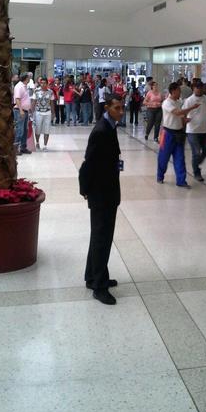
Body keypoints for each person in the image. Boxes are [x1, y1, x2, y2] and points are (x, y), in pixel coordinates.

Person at [79, 93, 125, 305]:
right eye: (117, 108)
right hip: (102, 193)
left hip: (106, 190)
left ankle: (92, 276)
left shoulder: (109, 126)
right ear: (107, 107)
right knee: (102, 238)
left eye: (122, 107)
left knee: (99, 236)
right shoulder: (101, 131)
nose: (121, 111)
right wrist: (85, 189)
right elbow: (88, 163)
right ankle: (99, 286)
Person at [157, 82, 200, 187]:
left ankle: (181, 181)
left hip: (179, 133)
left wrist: (185, 120)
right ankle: (160, 176)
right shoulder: (167, 103)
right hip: (167, 134)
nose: (180, 92)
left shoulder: (178, 102)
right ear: (173, 91)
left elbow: (180, 116)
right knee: (163, 157)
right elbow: (177, 113)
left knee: (180, 158)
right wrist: (192, 107)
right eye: (179, 91)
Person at [185, 80, 206, 182]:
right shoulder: (189, 100)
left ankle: (196, 163)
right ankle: (196, 172)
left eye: (201, 87)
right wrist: (184, 119)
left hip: (204, 130)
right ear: (193, 88)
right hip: (192, 131)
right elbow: (183, 112)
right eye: (197, 87)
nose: (199, 89)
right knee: (196, 152)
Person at [33, 77, 55, 151]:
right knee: (38, 129)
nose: (43, 84)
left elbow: (52, 103)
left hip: (47, 113)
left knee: (47, 129)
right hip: (38, 112)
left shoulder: (50, 92)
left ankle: (45, 146)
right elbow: (34, 102)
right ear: (40, 83)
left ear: (47, 83)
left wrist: (53, 113)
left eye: (44, 83)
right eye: (41, 83)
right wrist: (31, 112)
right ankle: (37, 142)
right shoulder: (36, 91)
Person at [13, 73, 32, 155]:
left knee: (25, 130)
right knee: (19, 130)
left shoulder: (24, 86)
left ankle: (23, 147)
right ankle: (15, 148)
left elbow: (25, 99)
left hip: (25, 111)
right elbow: (17, 99)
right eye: (29, 78)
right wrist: (21, 110)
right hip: (19, 111)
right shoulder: (19, 86)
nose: (30, 79)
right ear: (26, 78)